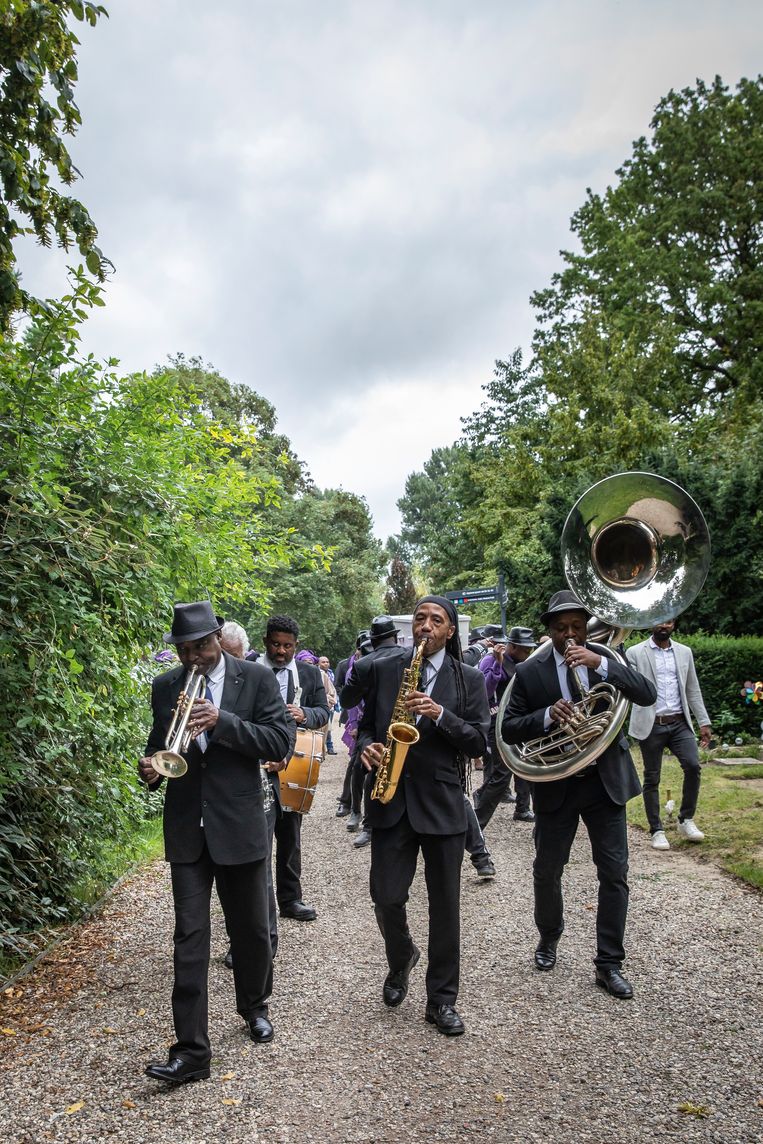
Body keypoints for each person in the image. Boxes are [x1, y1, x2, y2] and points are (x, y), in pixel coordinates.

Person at [139, 601, 291, 1084]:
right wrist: (149, 770)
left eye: (200, 647)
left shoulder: (256, 679)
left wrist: (221, 722)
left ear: (218, 638)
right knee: (189, 938)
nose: (193, 658)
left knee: (249, 929)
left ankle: (254, 1004)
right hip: (187, 828)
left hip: (240, 824)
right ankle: (191, 1051)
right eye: (184, 650)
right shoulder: (165, 686)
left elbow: (279, 743)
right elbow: (157, 748)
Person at [502, 590, 656, 1000]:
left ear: (586, 627)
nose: (571, 635)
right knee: (547, 869)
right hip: (557, 784)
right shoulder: (531, 673)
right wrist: (546, 715)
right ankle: (549, 937)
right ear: (549, 631)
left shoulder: (609, 659)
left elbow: (647, 694)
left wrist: (601, 662)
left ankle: (609, 964)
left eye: (577, 627)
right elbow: (508, 729)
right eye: (561, 628)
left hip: (605, 782)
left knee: (614, 873)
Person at [359, 596, 490, 1036]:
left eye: (436, 620)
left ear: (450, 631)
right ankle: (402, 958)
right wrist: (367, 748)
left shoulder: (468, 678)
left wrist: (441, 714)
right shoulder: (385, 670)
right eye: (420, 618)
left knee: (445, 907)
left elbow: (477, 743)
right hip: (390, 800)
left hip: (442, 804)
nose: (426, 626)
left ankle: (441, 1000)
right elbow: (364, 726)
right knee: (386, 896)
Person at [219, 622, 295, 964]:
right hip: (220, 793)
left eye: (232, 656)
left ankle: (265, 943)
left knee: (258, 869)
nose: (225, 663)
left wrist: (283, 755)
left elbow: (284, 727)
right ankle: (240, 939)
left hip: (258, 787)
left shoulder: (255, 678)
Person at [262, 615, 330, 921]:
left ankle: (290, 899)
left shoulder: (310, 674)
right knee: (257, 840)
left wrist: (304, 713)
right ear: (265, 642)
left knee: (290, 836)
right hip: (258, 761)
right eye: (275, 644)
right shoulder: (250, 669)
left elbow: (323, 713)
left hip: (292, 765)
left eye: (287, 646)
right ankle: (259, 908)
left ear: (295, 645)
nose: (280, 651)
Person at [626, 619, 711, 849]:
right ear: (651, 623)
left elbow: (693, 689)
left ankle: (686, 819)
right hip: (651, 724)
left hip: (679, 723)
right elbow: (629, 686)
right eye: (660, 621)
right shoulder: (635, 652)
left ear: (674, 624)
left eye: (669, 621)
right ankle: (657, 830)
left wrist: (704, 722)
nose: (664, 625)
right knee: (652, 778)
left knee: (693, 766)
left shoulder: (684, 652)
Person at [341, 615, 408, 848]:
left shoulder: (364, 664)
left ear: (372, 640)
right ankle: (478, 853)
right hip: (410, 729)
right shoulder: (411, 657)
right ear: (396, 636)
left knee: (365, 772)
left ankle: (365, 822)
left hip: (377, 731)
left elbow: (347, 700)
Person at [474, 627, 538, 829]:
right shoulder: (491, 660)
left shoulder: (524, 663)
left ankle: (522, 808)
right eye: (525, 649)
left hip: (519, 721)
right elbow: (484, 691)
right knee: (502, 773)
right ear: (513, 646)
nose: (528, 653)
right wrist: (498, 664)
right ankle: (477, 821)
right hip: (497, 723)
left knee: (526, 766)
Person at [318, 655, 339, 753]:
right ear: (318, 663)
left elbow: (332, 690)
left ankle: (329, 747)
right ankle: (323, 748)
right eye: (323, 662)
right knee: (323, 728)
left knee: (328, 728)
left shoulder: (330, 674)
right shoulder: (319, 674)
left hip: (330, 705)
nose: (326, 663)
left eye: (327, 662)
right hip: (323, 705)